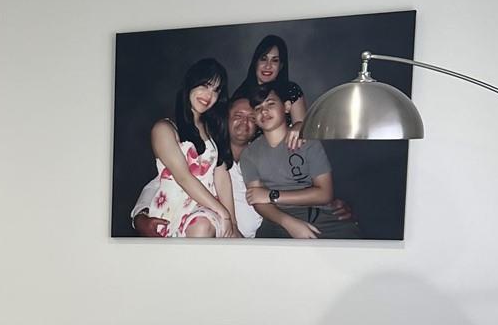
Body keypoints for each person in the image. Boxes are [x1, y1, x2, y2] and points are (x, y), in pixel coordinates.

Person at [135, 94, 354, 237]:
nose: (245, 122)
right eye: (237, 116)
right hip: (214, 240)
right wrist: (140, 217)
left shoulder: (260, 157)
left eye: (251, 117)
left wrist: (330, 202)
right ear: (225, 119)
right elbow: (161, 183)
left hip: (262, 241)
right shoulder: (207, 158)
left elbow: (296, 183)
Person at [128, 58, 236, 238]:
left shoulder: (214, 130)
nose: (209, 95)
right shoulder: (165, 129)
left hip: (206, 210)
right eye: (205, 85)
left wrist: (232, 222)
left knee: (202, 225)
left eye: (215, 90)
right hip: (173, 209)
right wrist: (223, 213)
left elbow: (222, 177)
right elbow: (183, 177)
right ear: (190, 84)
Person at [240, 81, 362, 239]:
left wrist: (272, 195)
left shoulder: (307, 142)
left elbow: (325, 194)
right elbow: (257, 199)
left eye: (270, 104)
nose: (264, 111)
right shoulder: (249, 154)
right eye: (258, 108)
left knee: (356, 247)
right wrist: (289, 223)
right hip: (277, 220)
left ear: (287, 107)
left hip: (321, 217)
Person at [233, 34, 307, 131]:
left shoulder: (291, 91)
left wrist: (298, 127)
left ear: (280, 66)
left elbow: (303, 129)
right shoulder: (241, 96)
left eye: (275, 60)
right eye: (263, 59)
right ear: (255, 62)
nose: (268, 66)